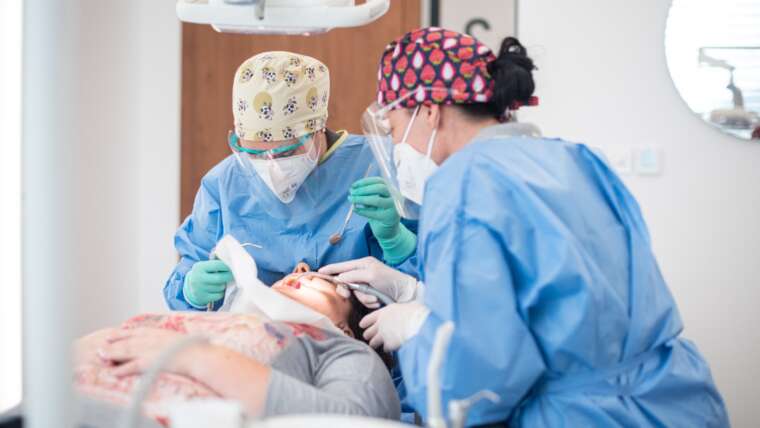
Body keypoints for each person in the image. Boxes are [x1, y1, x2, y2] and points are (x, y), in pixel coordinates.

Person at [321, 28, 729, 426]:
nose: (396, 147)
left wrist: (420, 332)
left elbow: (474, 380)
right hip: (678, 398)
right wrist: (418, 293)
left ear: (429, 110)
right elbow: (566, 295)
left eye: (393, 129)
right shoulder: (577, 159)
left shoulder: (464, 182)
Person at [164, 51, 416, 311]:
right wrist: (190, 291)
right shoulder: (223, 185)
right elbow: (187, 274)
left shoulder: (377, 164)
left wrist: (398, 242)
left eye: (285, 153)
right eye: (254, 153)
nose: (272, 168)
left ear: (318, 129)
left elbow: (428, 285)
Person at [76, 264, 400, 423]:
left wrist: (193, 357)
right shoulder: (220, 320)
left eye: (320, 279)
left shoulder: (343, 350)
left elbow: (351, 421)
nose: (300, 269)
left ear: (344, 329)